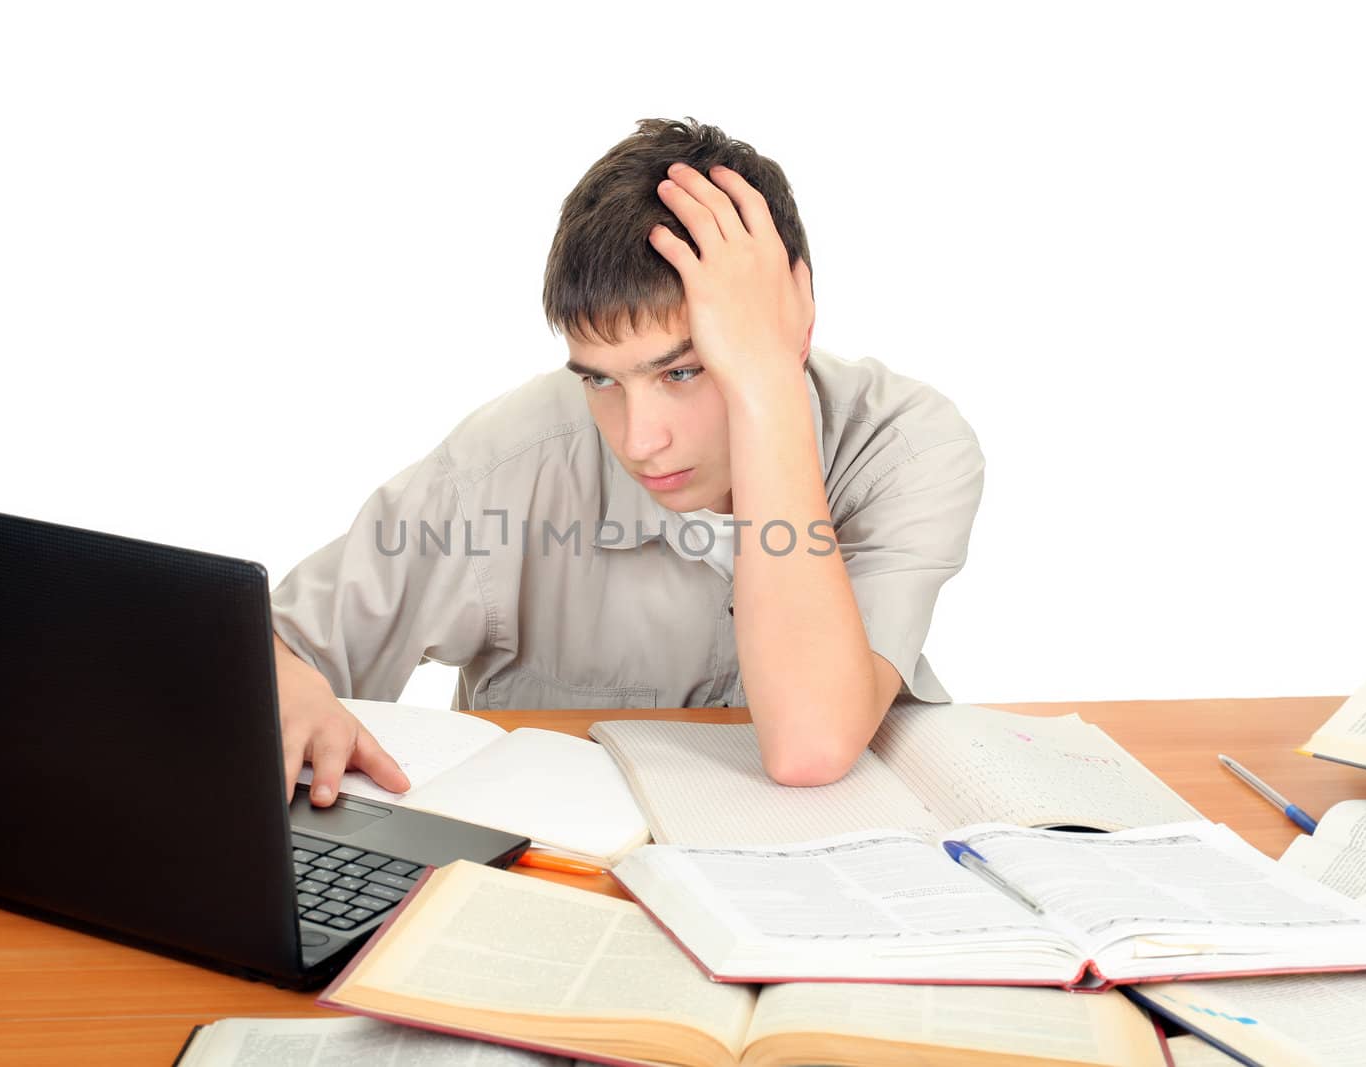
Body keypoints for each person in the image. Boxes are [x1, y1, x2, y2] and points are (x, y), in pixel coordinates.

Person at [271, 117, 984, 803]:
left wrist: (767, 383)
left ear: (792, 316)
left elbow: (810, 745)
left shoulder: (909, 450)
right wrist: (290, 686)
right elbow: (268, 647)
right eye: (601, 379)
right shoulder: (510, 459)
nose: (639, 440)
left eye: (682, 372)